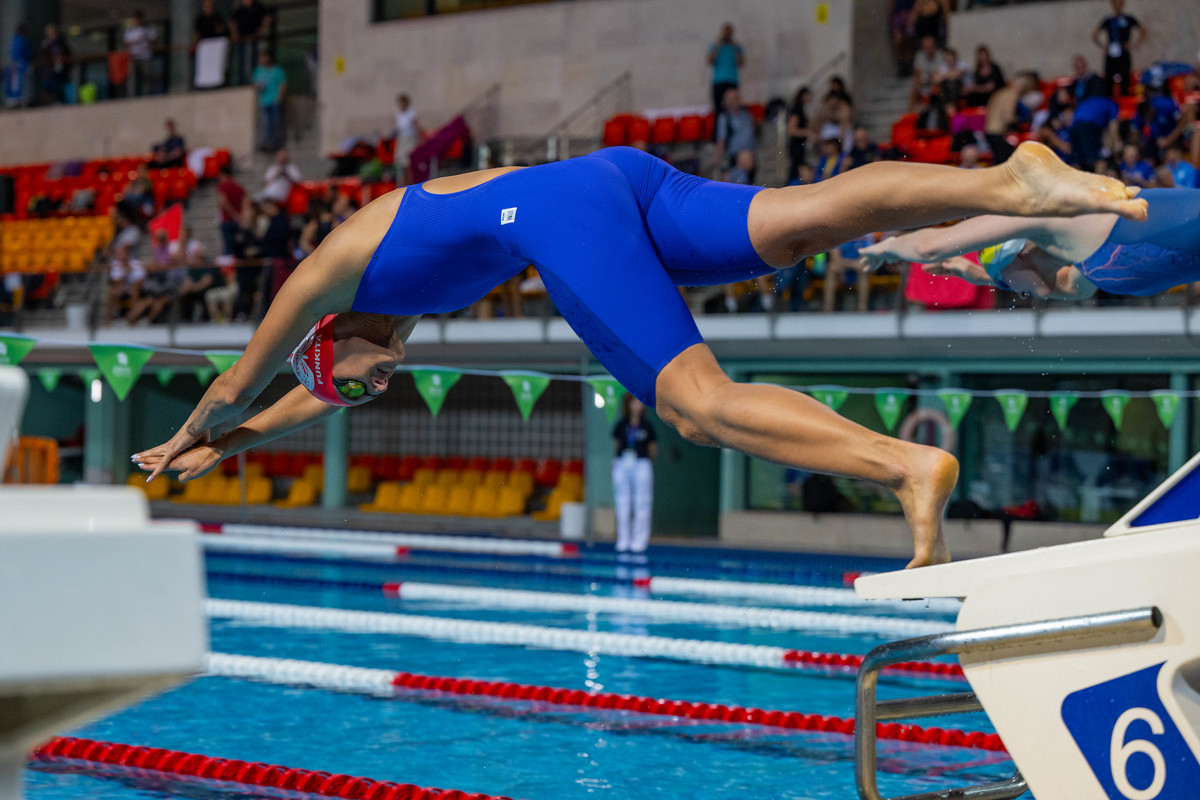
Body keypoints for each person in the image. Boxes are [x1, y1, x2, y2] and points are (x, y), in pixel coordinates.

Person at [132, 143, 1147, 569]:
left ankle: (906, 466)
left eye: (360, 380)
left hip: (563, 211)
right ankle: (1011, 185)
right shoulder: (387, 319)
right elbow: (298, 402)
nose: (377, 383)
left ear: (325, 344)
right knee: (803, 221)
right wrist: (225, 451)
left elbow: (238, 376)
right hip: (616, 181)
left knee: (698, 405)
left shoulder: (329, 272)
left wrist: (184, 432)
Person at [860, 188, 1199, 301]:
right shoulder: (1083, 274)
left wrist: (887, 247)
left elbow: (929, 247)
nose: (1015, 293)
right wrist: (970, 272)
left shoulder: (1054, 222)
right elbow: (1048, 287)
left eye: (1006, 282)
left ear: (1019, 253)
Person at [611, 394, 656, 555]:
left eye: (640, 402)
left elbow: (652, 450)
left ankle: (640, 540)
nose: (638, 405)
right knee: (622, 502)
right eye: (634, 401)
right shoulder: (621, 425)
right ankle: (623, 539)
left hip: (641, 463)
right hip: (623, 463)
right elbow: (617, 446)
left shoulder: (647, 426)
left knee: (642, 502)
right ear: (628, 404)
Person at [1093, 0, 1145, 97]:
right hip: (1111, 53)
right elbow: (1094, 35)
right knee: (1108, 81)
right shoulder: (1108, 20)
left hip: (1124, 53)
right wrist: (1103, 46)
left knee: (1125, 80)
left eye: (1119, 3)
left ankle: (1125, 104)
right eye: (1115, 3)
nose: (1118, 6)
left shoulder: (1129, 19)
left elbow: (1143, 31)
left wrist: (1133, 45)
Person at [714, 87, 757, 183]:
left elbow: (751, 133)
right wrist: (721, 164)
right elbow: (721, 141)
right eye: (731, 99)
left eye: (736, 97)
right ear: (727, 101)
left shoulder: (746, 115)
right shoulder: (725, 118)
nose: (735, 101)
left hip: (749, 154)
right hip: (734, 157)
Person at [707, 23, 744, 117]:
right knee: (718, 110)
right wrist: (718, 44)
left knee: (734, 108)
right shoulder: (715, 46)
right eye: (725, 32)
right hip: (718, 81)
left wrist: (735, 47)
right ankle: (719, 131)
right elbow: (709, 61)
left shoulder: (736, 47)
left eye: (729, 32)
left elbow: (741, 63)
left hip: (732, 80)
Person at [253, 50, 287, 152]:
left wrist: (279, 98)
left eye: (265, 56)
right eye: (261, 57)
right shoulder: (258, 71)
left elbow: (283, 85)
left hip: (275, 101)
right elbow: (255, 86)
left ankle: (277, 145)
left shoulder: (278, 71)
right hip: (263, 102)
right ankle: (265, 144)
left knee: (276, 123)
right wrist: (258, 87)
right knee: (265, 125)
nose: (263, 59)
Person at [231, 0, 268, 85]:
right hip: (242, 39)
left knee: (254, 60)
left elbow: (268, 16)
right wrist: (235, 35)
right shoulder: (239, 9)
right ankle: (242, 83)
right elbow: (232, 23)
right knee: (242, 62)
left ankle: (254, 80)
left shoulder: (257, 7)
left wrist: (263, 29)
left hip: (254, 39)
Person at [392, 93, 424, 184]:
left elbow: (416, 126)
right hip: (402, 140)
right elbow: (397, 128)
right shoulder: (398, 115)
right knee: (401, 163)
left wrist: (420, 138)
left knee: (409, 163)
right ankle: (402, 183)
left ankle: (411, 183)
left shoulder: (411, 113)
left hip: (410, 140)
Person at [124, 10, 158, 96]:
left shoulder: (148, 29)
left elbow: (154, 41)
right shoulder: (130, 31)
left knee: (148, 77)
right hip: (134, 56)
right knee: (132, 78)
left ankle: (150, 94)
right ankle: (131, 96)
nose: (137, 21)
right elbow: (127, 44)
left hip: (145, 56)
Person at [216, 165, 247, 255]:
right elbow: (245, 202)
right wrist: (241, 216)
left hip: (228, 220)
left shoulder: (222, 186)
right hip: (238, 220)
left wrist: (233, 214)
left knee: (228, 248)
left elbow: (223, 202)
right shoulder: (238, 186)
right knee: (239, 247)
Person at [785, 85, 813, 184]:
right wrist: (807, 132)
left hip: (799, 144)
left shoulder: (801, 109)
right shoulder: (796, 109)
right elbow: (791, 129)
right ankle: (789, 188)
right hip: (796, 145)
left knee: (798, 168)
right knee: (796, 168)